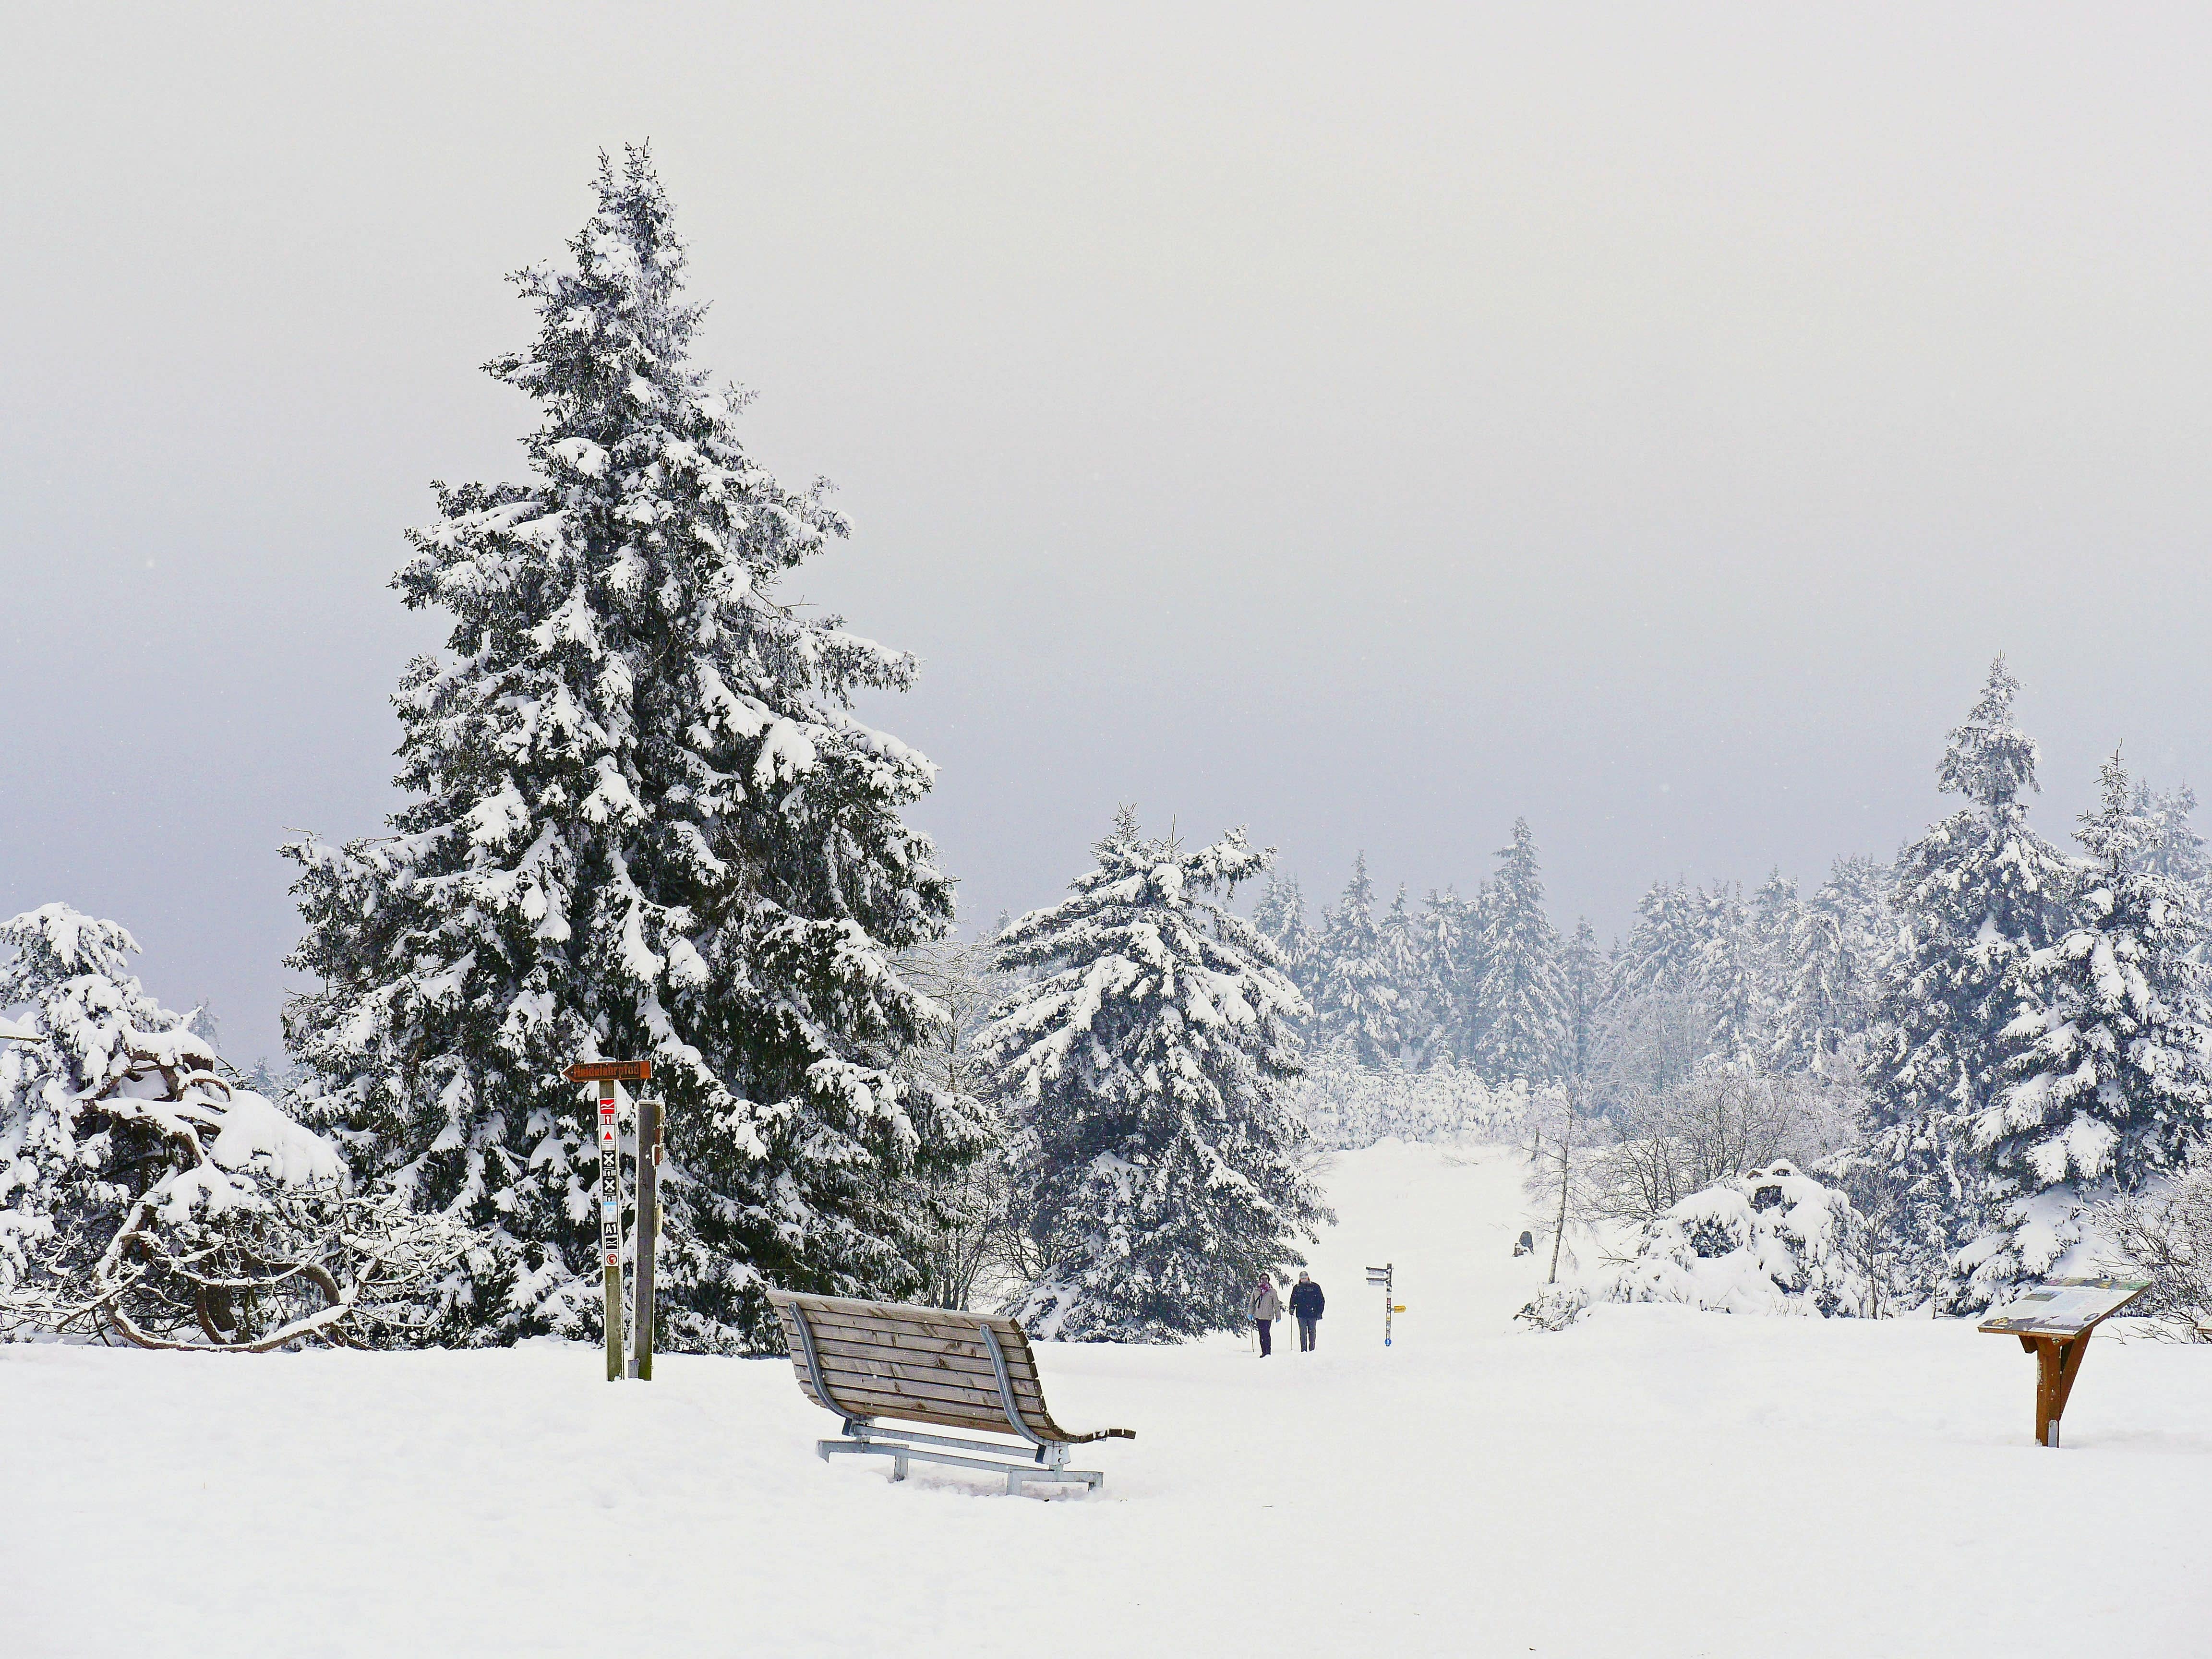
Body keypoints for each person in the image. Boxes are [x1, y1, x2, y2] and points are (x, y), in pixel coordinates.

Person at [1289, 1271, 1324, 1351]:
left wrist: (1320, 1312)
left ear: (1308, 1277)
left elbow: (1321, 1300)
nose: (1304, 1280)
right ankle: (1303, 1350)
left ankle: (1312, 1349)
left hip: (1313, 1314)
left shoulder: (1315, 1287)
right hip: (1301, 1314)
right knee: (1303, 1333)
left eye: (1305, 1278)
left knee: (1312, 1332)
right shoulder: (1297, 1288)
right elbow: (1293, 1299)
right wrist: (1292, 1308)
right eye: (1302, 1278)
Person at [1249, 1276, 1282, 1355]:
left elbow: (1276, 1304)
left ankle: (1268, 1352)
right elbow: (1252, 1303)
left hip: (1268, 1316)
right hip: (1258, 1315)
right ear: (1260, 1280)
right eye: (1263, 1279)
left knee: (1266, 1333)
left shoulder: (1272, 1291)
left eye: (1266, 1279)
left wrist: (1278, 1316)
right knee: (1261, 1334)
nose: (1264, 1280)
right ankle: (1264, 1352)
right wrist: (1250, 1313)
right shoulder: (1256, 1290)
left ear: (1268, 1280)